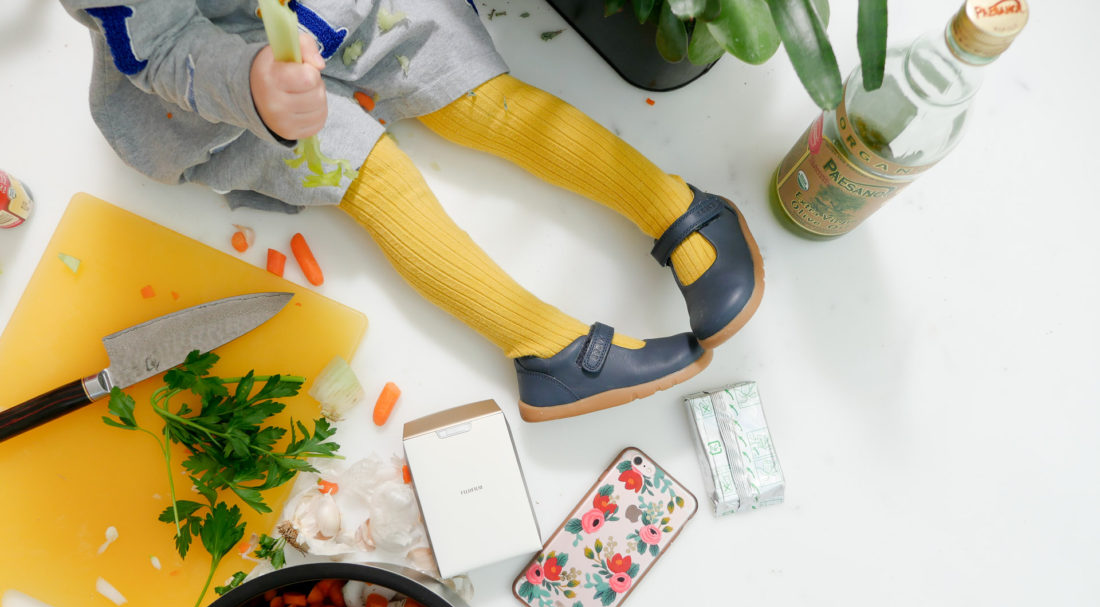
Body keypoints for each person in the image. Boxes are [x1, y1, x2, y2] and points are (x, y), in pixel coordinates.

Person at [59, 0, 764, 422]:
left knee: (477, 97)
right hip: (213, 81)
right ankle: (545, 349)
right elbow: (157, 44)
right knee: (368, 173)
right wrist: (250, 85)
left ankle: (672, 208)